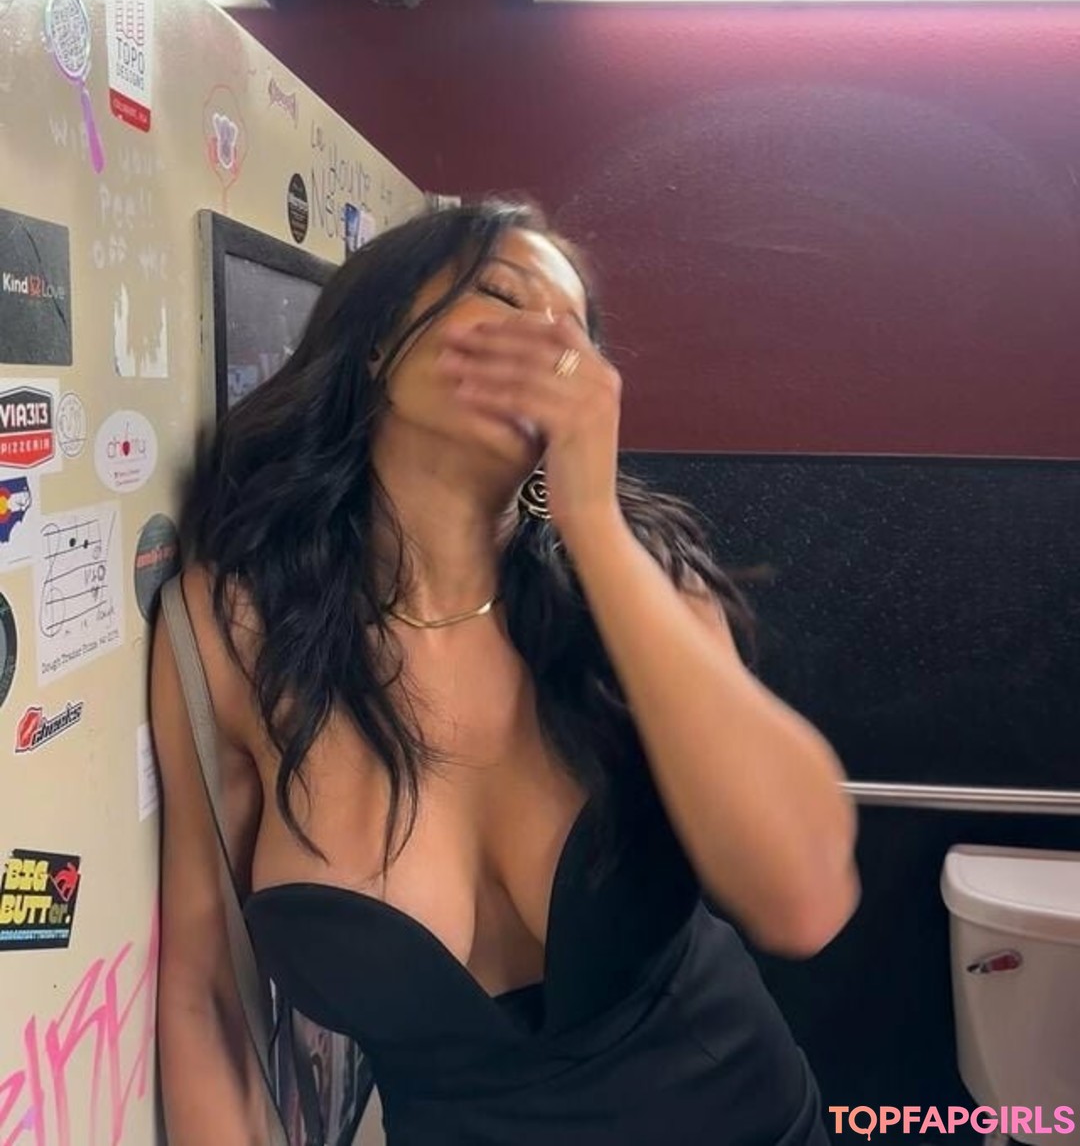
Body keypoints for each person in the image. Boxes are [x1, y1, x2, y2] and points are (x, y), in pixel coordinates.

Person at [151, 197, 860, 1145]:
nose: (553, 343)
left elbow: (803, 899)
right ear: (378, 341)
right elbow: (202, 995)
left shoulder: (645, 583)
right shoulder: (228, 631)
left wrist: (592, 522)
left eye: (576, 331)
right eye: (505, 295)